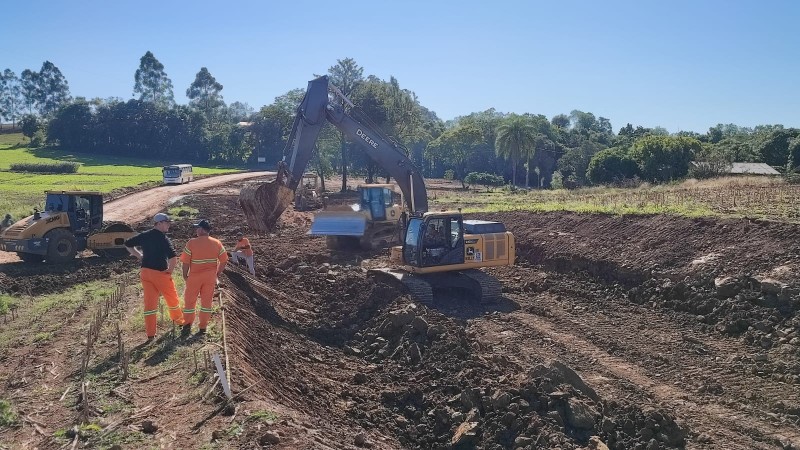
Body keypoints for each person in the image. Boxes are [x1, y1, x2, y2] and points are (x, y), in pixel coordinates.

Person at [124, 213, 185, 343]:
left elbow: (128, 244)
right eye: (167, 222)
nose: (169, 225)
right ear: (159, 223)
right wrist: (169, 271)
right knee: (172, 299)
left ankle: (150, 334)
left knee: (150, 304)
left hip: (145, 273)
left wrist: (139, 256)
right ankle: (180, 323)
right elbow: (173, 258)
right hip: (160, 273)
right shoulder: (163, 239)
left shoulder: (145, 235)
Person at [180, 219, 229, 337]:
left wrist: (185, 275)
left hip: (194, 277)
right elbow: (224, 260)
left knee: (190, 301)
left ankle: (187, 325)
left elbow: (185, 262)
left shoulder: (191, 243)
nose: (196, 230)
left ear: (202, 230)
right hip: (209, 278)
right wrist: (217, 273)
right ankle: (203, 328)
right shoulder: (217, 243)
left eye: (197, 228)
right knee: (206, 302)